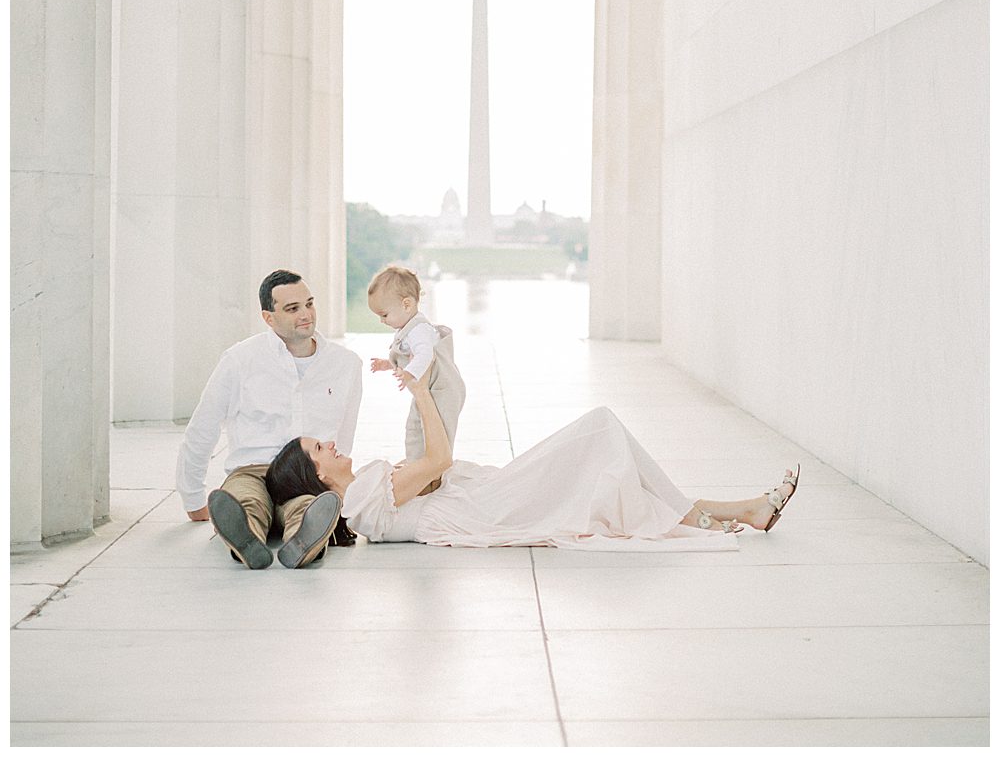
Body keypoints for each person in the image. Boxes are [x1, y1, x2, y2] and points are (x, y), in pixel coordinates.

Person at [265, 369, 800, 552]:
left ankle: (737, 510)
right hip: (490, 506)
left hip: (486, 494)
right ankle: (728, 512)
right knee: (602, 429)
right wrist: (421, 391)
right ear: (315, 475)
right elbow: (439, 457)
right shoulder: (359, 497)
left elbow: (433, 465)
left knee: (605, 439)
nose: (330, 444)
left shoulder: (364, 490)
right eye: (319, 450)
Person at [176, 270, 362, 569]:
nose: (306, 314)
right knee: (246, 502)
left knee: (308, 508)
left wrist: (336, 483)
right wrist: (192, 497)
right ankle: (246, 539)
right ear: (268, 317)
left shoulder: (346, 364)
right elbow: (203, 426)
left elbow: (344, 433)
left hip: (307, 474)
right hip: (252, 470)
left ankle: (303, 542)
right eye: (292, 308)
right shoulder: (240, 360)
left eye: (309, 304)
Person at [368, 264, 466, 490]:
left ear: (407, 304)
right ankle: (417, 465)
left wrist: (411, 372)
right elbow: (406, 355)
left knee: (436, 430)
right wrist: (388, 364)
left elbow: (425, 354)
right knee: (415, 427)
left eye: (384, 315)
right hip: (428, 389)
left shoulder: (419, 330)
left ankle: (433, 474)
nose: (382, 321)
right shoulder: (409, 329)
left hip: (443, 390)